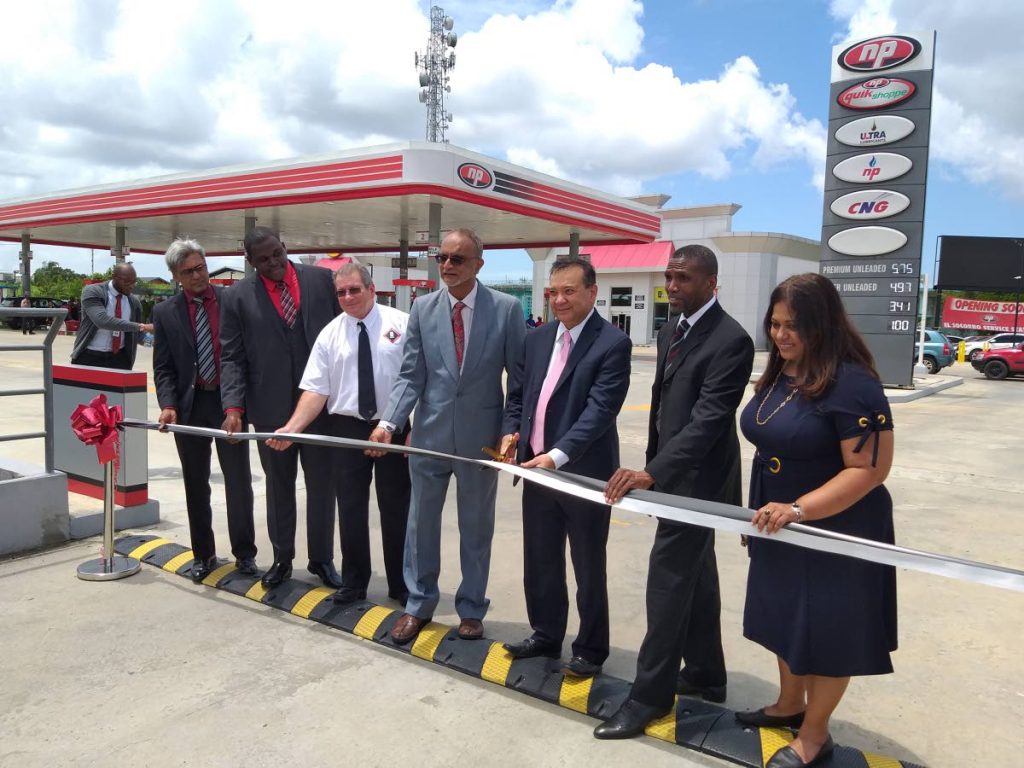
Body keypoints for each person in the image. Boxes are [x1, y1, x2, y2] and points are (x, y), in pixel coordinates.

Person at [736, 273, 896, 768]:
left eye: (794, 326)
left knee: (829, 633)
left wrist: (801, 509)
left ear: (823, 325)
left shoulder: (854, 384)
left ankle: (814, 734)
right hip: (778, 518)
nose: (781, 335)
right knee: (785, 618)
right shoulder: (781, 372)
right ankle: (788, 705)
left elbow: (869, 470)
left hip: (836, 526)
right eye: (776, 324)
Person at [594, 244, 754, 739]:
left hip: (700, 483)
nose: (673, 286)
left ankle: (649, 697)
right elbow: (665, 407)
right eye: (669, 277)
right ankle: (706, 674)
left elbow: (708, 422)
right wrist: (655, 466)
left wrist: (652, 473)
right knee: (697, 574)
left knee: (666, 584)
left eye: (683, 278)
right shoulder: (669, 331)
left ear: (711, 283)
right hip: (670, 477)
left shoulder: (732, 340)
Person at [368, 228, 526, 644]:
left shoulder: (507, 309)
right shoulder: (422, 309)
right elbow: (410, 375)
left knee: (476, 527)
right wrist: (389, 424)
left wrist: (512, 431)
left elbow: (519, 380)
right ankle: (418, 605)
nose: (448, 266)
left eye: (458, 259)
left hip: (481, 440)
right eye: (442, 258)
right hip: (429, 437)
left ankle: (471, 609)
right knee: (420, 526)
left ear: (478, 264)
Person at [499, 256, 631, 678]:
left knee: (588, 565)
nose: (559, 300)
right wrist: (511, 432)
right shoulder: (536, 340)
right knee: (541, 559)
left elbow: (599, 411)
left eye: (569, 291)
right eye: (553, 292)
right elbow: (517, 395)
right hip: (535, 468)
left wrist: (557, 455)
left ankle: (591, 649)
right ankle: (545, 634)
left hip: (583, 475)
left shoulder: (612, 344)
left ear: (592, 293)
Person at [267, 263, 411, 606]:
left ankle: (401, 584)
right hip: (347, 428)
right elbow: (316, 390)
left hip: (393, 424)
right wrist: (293, 428)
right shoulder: (331, 333)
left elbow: (418, 378)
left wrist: (411, 426)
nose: (347, 297)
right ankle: (355, 582)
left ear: (372, 289)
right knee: (349, 508)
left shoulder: (401, 325)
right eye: (341, 292)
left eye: (354, 290)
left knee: (397, 509)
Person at [219, 227, 341, 589]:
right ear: (250, 262)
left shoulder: (322, 281)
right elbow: (232, 356)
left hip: (321, 407)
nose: (273, 263)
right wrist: (234, 407)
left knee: (322, 484)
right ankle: (282, 558)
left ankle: (322, 559)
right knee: (279, 485)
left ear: (285, 247)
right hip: (269, 408)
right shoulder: (238, 296)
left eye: (277, 253)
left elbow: (342, 336)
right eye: (263, 260)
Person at [152, 238, 257, 583]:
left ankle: (245, 555)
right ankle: (203, 554)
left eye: (201, 267)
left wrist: (235, 406)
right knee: (196, 484)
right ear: (176, 276)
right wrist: (168, 405)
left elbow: (240, 359)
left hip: (230, 404)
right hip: (190, 408)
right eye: (188, 272)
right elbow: (164, 366)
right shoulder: (165, 313)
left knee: (238, 482)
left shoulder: (231, 301)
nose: (198, 275)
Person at [71, 264, 153, 369]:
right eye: (127, 281)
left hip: (120, 359)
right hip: (89, 356)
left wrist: (156, 342)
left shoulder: (134, 302)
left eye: (134, 281)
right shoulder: (93, 291)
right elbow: (102, 320)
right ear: (114, 276)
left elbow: (138, 335)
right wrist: (142, 326)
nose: (131, 285)